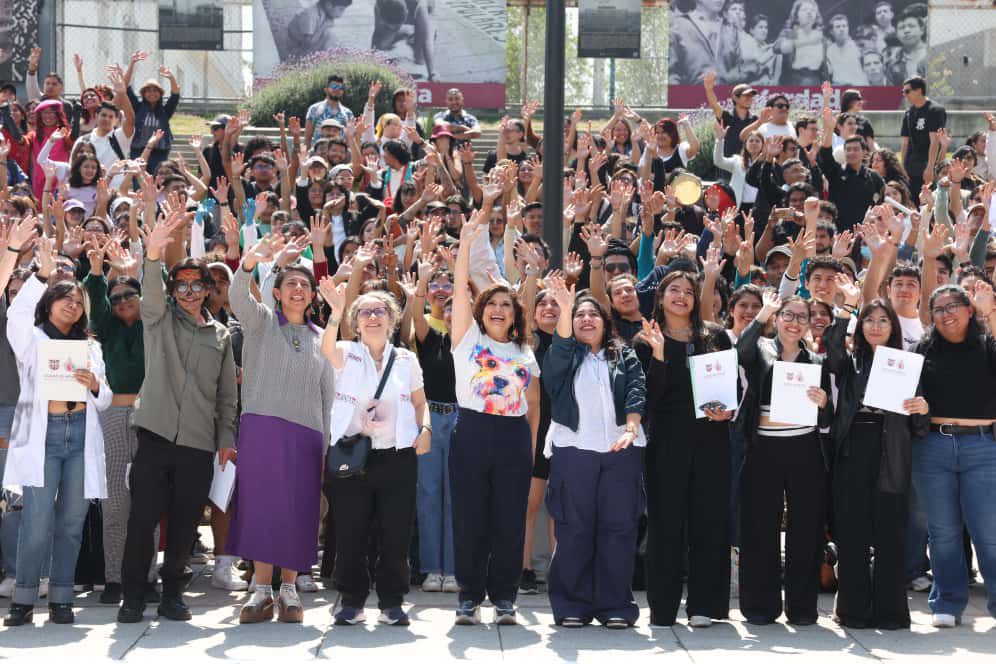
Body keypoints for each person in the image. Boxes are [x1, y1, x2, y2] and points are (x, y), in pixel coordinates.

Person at [117, 209, 239, 624]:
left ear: (207, 290)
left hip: (198, 443)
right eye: (181, 285)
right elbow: (151, 294)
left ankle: (173, 594)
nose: (188, 292)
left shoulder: (220, 336)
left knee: (186, 525)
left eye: (196, 285)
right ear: (173, 290)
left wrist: (226, 439)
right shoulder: (158, 319)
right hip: (155, 436)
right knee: (143, 521)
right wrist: (153, 255)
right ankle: (133, 596)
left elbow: (227, 396)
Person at [3, 230, 112, 627]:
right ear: (48, 304)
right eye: (64, 297)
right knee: (36, 523)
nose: (72, 304)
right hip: (43, 437)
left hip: (80, 434)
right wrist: (39, 276)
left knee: (70, 524)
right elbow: (15, 315)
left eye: (78, 301)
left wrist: (95, 385)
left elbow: (105, 397)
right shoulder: (31, 340)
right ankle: (24, 597)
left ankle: (62, 598)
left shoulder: (91, 346)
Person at [226, 238, 335, 624]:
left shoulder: (322, 337)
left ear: (312, 295)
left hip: (307, 436)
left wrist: (325, 446)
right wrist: (250, 263)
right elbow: (237, 297)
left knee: (299, 510)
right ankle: (260, 591)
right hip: (261, 429)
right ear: (276, 291)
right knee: (260, 508)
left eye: (305, 284)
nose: (298, 289)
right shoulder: (260, 322)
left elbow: (327, 395)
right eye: (291, 283)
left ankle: (289, 591)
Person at [319, 283, 431, 627]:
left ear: (392, 320)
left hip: (397, 456)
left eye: (379, 311)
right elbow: (326, 348)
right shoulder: (346, 351)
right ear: (355, 323)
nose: (372, 317)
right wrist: (336, 312)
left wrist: (426, 429)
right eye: (364, 312)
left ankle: (392, 602)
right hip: (353, 456)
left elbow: (420, 402)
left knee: (396, 533)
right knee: (351, 532)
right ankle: (351, 602)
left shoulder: (406, 359)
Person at [448, 213, 540, 625]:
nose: (499, 309)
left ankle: (504, 597)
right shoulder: (467, 338)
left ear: (516, 314)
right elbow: (459, 289)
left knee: (509, 519)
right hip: (472, 430)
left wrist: (530, 444)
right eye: (492, 304)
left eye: (506, 304)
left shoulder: (524, 350)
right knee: (470, 516)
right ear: (481, 310)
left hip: (513, 435)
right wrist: (467, 244)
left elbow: (531, 403)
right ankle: (469, 596)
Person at [540, 275, 646, 628]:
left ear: (605, 321)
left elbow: (636, 389)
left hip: (622, 450)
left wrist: (631, 427)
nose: (587, 319)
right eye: (579, 315)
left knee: (619, 528)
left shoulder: (624, 354)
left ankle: (615, 605)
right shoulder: (563, 354)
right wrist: (564, 308)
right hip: (574, 450)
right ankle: (571, 604)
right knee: (574, 528)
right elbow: (558, 353)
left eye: (593, 314)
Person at [824, 287, 929, 630]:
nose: (875, 326)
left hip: (892, 450)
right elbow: (832, 347)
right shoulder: (850, 361)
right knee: (852, 532)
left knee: (890, 533)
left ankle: (891, 612)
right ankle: (852, 610)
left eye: (883, 320)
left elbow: (920, 426)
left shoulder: (908, 363)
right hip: (854, 447)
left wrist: (922, 408)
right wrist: (848, 308)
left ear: (893, 327)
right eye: (869, 319)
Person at [641, 270, 733, 628]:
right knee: (665, 525)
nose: (681, 297)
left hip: (712, 440)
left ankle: (703, 606)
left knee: (709, 522)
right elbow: (646, 398)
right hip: (666, 442)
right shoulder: (645, 338)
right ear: (661, 297)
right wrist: (659, 356)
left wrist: (728, 410)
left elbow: (733, 388)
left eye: (689, 292)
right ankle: (663, 608)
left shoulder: (715, 336)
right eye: (674, 290)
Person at [735, 291, 832, 626]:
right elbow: (740, 352)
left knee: (806, 528)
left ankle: (802, 607)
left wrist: (823, 403)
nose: (794, 323)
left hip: (805, 449)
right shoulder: (761, 349)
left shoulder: (816, 361)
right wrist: (763, 313)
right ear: (777, 319)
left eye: (801, 317)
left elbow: (829, 413)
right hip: (763, 448)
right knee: (760, 526)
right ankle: (760, 606)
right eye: (787, 316)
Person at [912, 282, 996, 627]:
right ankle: (947, 601)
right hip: (933, 447)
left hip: (983, 447)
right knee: (942, 531)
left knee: (988, 531)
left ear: (970, 310)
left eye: (953, 307)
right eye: (939, 309)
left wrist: (991, 312)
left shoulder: (988, 344)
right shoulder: (922, 349)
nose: (946, 315)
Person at [81, 239, 145, 606]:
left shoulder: (154, 324)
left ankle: (146, 576)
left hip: (150, 417)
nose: (122, 301)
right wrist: (96, 270)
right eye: (116, 297)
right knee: (116, 503)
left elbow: (159, 301)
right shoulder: (106, 328)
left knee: (148, 502)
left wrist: (134, 270)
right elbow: (96, 300)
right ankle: (114, 578)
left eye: (129, 294)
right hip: (113, 415)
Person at [400, 260, 458, 594]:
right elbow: (418, 319)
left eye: (457, 308)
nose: (451, 313)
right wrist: (421, 285)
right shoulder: (432, 339)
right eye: (447, 309)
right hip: (431, 420)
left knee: (455, 497)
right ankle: (432, 568)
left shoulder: (473, 344)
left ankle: (453, 569)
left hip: (462, 420)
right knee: (429, 495)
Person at [124, 62, 180, 174]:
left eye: (155, 90)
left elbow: (175, 94)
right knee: (137, 178)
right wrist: (132, 64)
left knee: (157, 178)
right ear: (143, 94)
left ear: (160, 94)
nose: (152, 93)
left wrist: (171, 78)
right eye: (148, 90)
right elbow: (126, 86)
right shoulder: (137, 107)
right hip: (138, 149)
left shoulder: (165, 111)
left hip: (160, 151)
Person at [900, 76, 946, 204]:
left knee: (927, 203)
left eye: (907, 91)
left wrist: (930, 167)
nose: (905, 95)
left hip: (927, 166)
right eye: (903, 92)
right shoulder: (908, 113)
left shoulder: (935, 110)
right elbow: (905, 143)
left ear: (919, 90)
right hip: (910, 167)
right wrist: (902, 167)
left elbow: (934, 141)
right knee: (911, 203)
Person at [703, 73, 757, 159]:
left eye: (751, 96)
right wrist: (709, 90)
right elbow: (714, 105)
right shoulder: (727, 116)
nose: (749, 98)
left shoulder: (755, 119)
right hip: (727, 164)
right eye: (746, 95)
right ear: (735, 97)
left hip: (748, 165)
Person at [286, 0, 353, 61]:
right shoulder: (310, 15)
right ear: (329, 5)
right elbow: (307, 42)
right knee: (330, 36)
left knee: (334, 40)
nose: (341, 14)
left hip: (309, 47)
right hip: (297, 51)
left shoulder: (327, 16)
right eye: (341, 9)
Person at [305, 75, 355, 147]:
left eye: (340, 87)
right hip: (319, 152)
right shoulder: (314, 109)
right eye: (334, 86)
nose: (337, 89)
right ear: (326, 89)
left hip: (339, 153)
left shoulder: (348, 114)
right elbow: (307, 139)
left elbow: (350, 140)